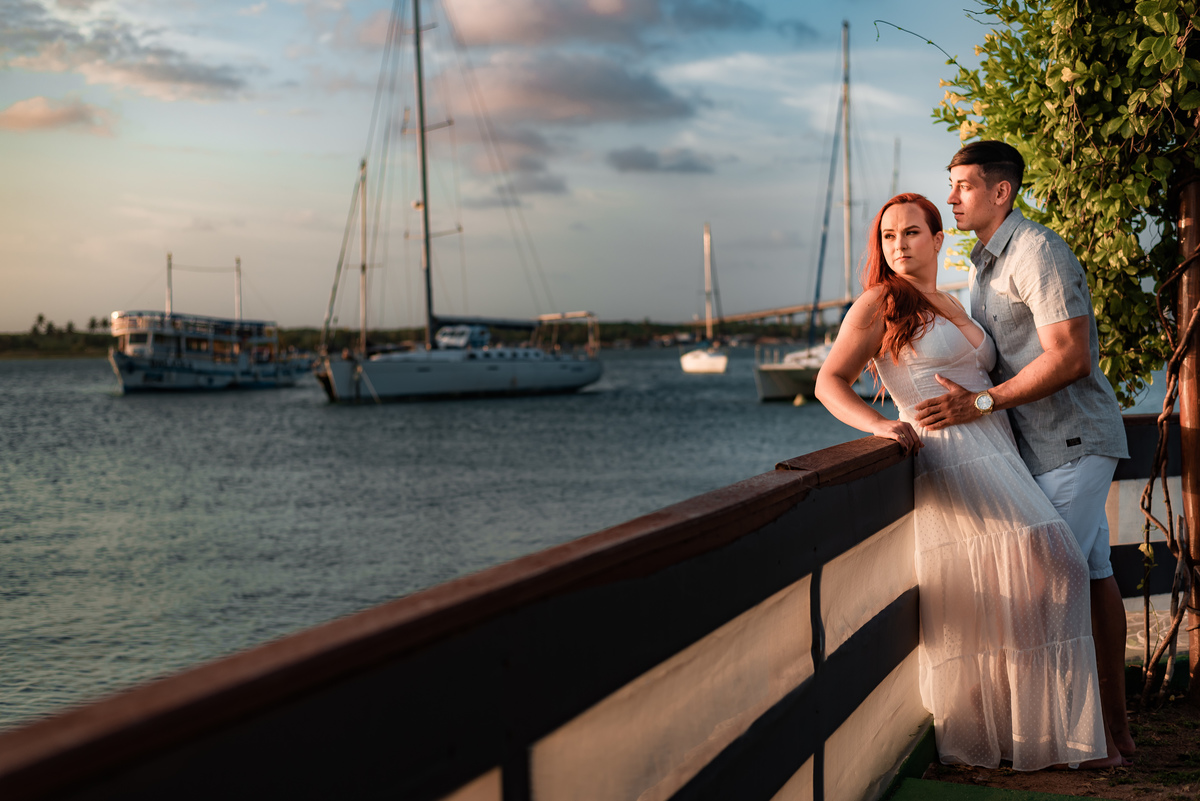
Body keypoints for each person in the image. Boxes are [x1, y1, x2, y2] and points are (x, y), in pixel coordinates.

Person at [815, 192, 1118, 770]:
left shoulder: (954, 297)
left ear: (937, 239)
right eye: (887, 236)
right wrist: (880, 426)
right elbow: (829, 381)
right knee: (1053, 559)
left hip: (999, 448)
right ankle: (1025, 732)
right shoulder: (879, 302)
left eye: (910, 233)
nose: (898, 245)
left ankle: (1042, 736)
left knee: (1033, 574)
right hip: (948, 456)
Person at [915, 141, 1134, 762]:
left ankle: (1031, 729)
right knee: (1091, 576)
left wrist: (979, 408)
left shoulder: (1037, 251)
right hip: (1035, 451)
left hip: (1073, 442)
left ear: (1001, 191)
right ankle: (1115, 738)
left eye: (961, 186)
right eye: (950, 185)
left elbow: (1071, 356)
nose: (951, 197)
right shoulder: (984, 265)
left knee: (1042, 583)